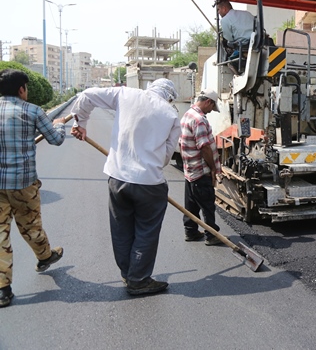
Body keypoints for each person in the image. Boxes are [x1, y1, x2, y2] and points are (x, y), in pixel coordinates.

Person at [70, 78, 181, 296]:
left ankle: (128, 272)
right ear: (169, 98)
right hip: (149, 183)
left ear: (150, 88)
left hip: (118, 177)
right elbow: (167, 155)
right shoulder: (171, 114)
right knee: (146, 231)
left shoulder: (126, 94)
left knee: (121, 228)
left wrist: (80, 123)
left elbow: (87, 95)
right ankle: (138, 280)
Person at [0, 69, 66, 308]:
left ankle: (2, 290)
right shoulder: (32, 111)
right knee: (30, 225)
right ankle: (45, 256)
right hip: (23, 184)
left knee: (0, 235)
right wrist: (59, 125)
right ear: (22, 89)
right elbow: (56, 139)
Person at [179, 88, 223, 246]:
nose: (211, 111)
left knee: (191, 203)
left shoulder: (187, 115)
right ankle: (211, 235)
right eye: (212, 107)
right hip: (200, 169)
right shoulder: (199, 120)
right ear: (208, 102)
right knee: (207, 204)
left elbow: (181, 143)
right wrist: (213, 168)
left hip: (190, 169)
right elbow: (204, 147)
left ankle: (190, 231)